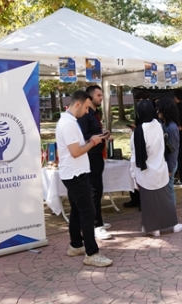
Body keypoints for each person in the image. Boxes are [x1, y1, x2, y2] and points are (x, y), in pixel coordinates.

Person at [56, 90, 112, 267]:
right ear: (78, 104)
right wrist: (93, 142)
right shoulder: (69, 124)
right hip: (75, 174)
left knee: (77, 210)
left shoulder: (67, 121)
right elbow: (75, 152)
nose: (88, 112)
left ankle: (76, 244)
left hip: (73, 173)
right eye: (87, 108)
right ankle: (92, 253)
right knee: (88, 212)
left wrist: (93, 140)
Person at [130, 100, 182, 236]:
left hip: (145, 172)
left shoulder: (138, 132)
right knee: (165, 199)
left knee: (149, 202)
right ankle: (173, 224)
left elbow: (135, 156)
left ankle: (154, 228)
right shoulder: (159, 125)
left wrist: (133, 173)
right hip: (161, 168)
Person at [77, 85, 112, 241]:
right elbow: (83, 137)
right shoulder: (85, 116)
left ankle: (98, 221)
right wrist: (98, 137)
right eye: (98, 95)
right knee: (94, 192)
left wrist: (103, 135)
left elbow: (93, 134)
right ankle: (95, 225)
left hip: (97, 156)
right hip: (90, 157)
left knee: (97, 190)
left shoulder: (94, 114)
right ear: (90, 97)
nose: (101, 97)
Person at [156, 97, 181, 204]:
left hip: (170, 164)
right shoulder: (166, 125)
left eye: (159, 109)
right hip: (167, 163)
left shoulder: (172, 128)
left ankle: (172, 213)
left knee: (169, 188)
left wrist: (170, 168)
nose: (157, 111)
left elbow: (174, 149)